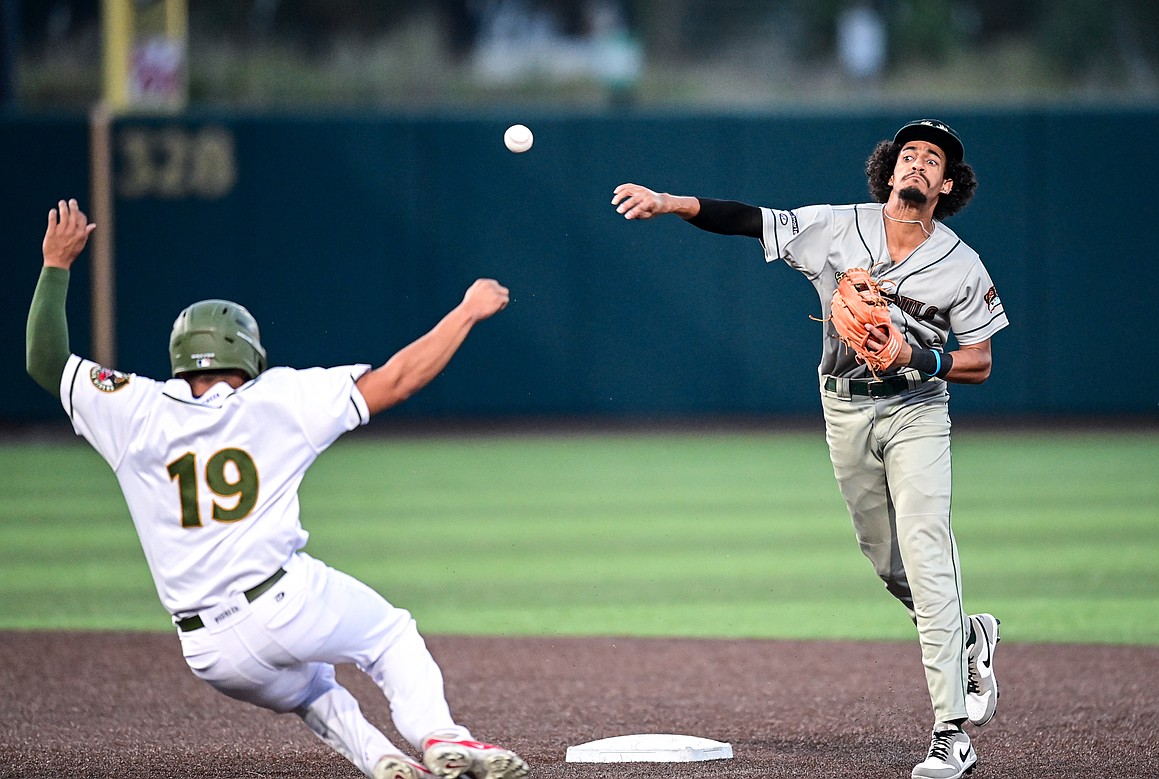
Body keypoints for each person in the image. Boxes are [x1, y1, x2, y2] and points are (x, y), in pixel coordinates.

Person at [26, 198, 530, 779]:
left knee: (313, 690)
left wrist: (55, 264)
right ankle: (442, 738)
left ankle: (384, 762)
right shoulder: (278, 399)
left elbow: (45, 360)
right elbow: (398, 379)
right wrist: (466, 311)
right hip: (282, 603)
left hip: (208, 652)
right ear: (249, 353)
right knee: (390, 636)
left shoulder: (131, 407)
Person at [611, 119, 1005, 779]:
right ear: (890, 169)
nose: (916, 164)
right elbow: (750, 220)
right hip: (844, 407)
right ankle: (970, 635)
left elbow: (981, 361)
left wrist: (918, 353)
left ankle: (950, 733)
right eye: (907, 154)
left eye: (930, 160)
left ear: (945, 185)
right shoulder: (834, 226)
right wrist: (673, 203)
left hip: (916, 411)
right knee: (888, 563)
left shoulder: (961, 263)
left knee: (928, 552)